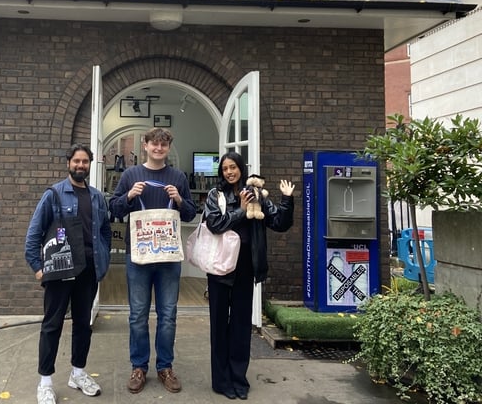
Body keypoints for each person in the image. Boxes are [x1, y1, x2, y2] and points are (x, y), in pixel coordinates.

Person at [109, 128, 197, 394]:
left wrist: (180, 199)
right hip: (138, 256)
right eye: (154, 144)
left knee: (168, 315)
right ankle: (139, 367)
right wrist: (129, 196)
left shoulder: (177, 177)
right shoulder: (130, 175)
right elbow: (114, 208)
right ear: (145, 146)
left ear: (168, 148)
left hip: (169, 257)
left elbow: (191, 213)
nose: (158, 148)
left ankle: (165, 367)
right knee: (137, 315)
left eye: (163, 144)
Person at [25, 144, 112, 404]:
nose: (80, 166)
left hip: (88, 272)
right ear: (68, 163)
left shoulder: (97, 197)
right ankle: (45, 382)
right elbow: (34, 233)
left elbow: (105, 231)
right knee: (52, 325)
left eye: (85, 162)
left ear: (90, 165)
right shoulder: (53, 194)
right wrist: (37, 268)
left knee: (83, 325)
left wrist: (103, 260)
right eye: (76, 161)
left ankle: (78, 373)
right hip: (59, 272)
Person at [203, 151, 294, 400]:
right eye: (225, 169)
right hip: (221, 268)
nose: (229, 172)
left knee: (241, 327)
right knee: (219, 326)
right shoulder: (216, 195)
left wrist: (287, 200)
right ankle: (221, 381)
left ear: (241, 168)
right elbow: (215, 224)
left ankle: (238, 379)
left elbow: (279, 223)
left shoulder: (257, 195)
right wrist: (241, 211)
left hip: (245, 268)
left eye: (233, 167)